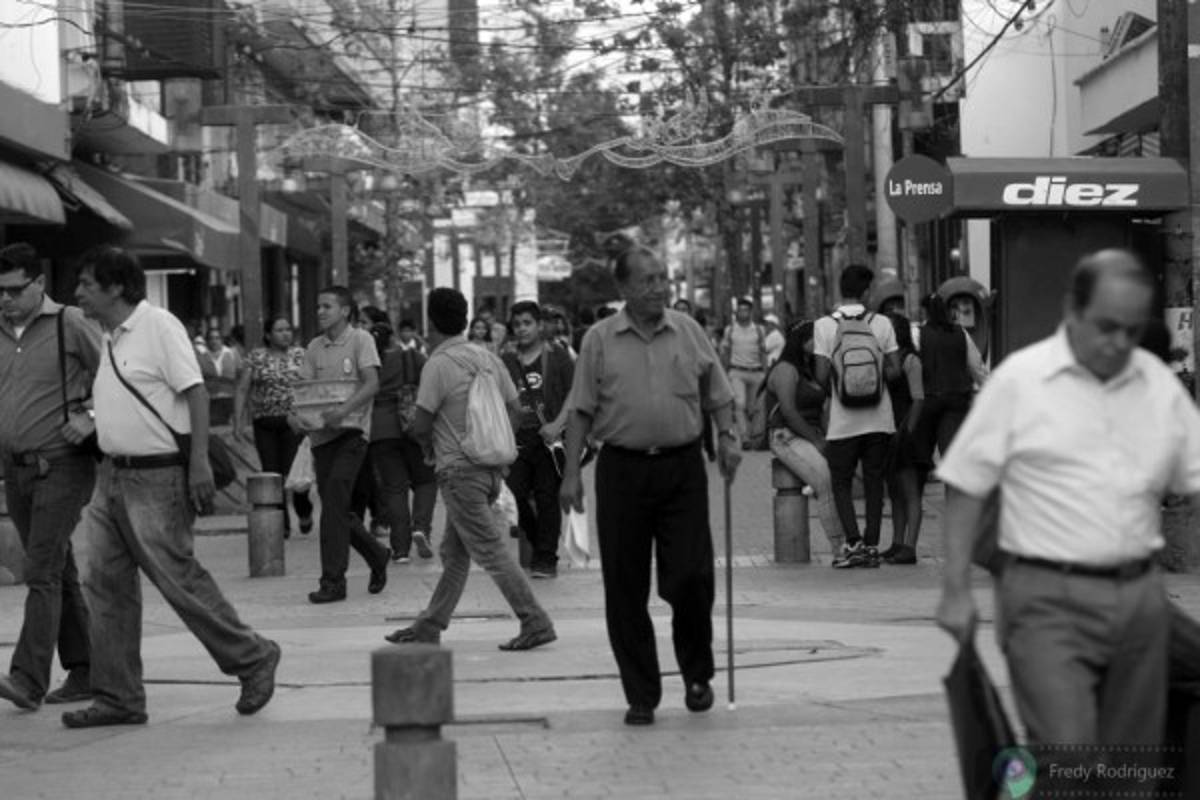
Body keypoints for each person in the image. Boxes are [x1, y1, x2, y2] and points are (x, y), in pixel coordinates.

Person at [936, 248, 1200, 753]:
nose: (1119, 343)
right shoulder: (1020, 380)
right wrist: (954, 590)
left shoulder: (1157, 385)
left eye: (1131, 329)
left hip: (1139, 598)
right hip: (1044, 599)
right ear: (1072, 311)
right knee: (1068, 750)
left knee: (1133, 766)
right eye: (1106, 327)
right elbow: (967, 484)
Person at [64, 246, 279, 728]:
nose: (78, 293)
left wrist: (199, 462)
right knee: (103, 583)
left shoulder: (158, 325)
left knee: (176, 577)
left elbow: (195, 392)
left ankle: (252, 657)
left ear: (116, 287)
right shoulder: (110, 337)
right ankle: (118, 696)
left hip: (157, 476)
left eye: (86, 284)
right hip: (112, 475)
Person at [559, 246, 741, 727]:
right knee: (624, 585)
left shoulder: (688, 330)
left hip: (682, 469)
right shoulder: (599, 340)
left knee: (691, 577)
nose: (659, 286)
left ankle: (697, 674)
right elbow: (580, 409)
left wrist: (728, 437)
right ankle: (641, 694)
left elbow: (718, 393)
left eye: (663, 277)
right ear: (624, 288)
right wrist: (572, 474)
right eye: (648, 279)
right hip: (622, 470)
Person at [385, 288, 557, 651]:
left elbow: (420, 423)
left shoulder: (438, 364)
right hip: (490, 471)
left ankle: (535, 620)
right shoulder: (489, 359)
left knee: (491, 552)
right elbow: (516, 410)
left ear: (431, 322)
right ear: (465, 319)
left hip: (459, 473)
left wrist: (431, 450)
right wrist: (498, 447)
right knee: (455, 553)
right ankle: (430, 625)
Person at [0, 243, 99, 712]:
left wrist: (93, 415)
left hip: (63, 463)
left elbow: (118, 377)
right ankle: (86, 670)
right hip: (14, 469)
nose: (6, 299)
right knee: (58, 568)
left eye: (15, 290)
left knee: (39, 569)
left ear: (39, 283)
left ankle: (27, 679)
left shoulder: (71, 323)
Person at [294, 286, 390, 604]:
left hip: (352, 434)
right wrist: (296, 417)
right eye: (318, 306)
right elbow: (305, 391)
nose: (320, 311)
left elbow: (372, 383)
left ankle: (333, 581)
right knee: (334, 507)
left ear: (345, 310)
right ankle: (376, 554)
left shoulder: (361, 340)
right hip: (322, 438)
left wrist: (343, 412)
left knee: (334, 499)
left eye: (327, 306)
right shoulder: (313, 347)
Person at [813, 264, 901, 569]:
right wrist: (871, 377)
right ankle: (873, 543)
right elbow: (896, 369)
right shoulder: (882, 323)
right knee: (875, 480)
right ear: (866, 292)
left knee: (841, 482)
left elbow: (822, 375)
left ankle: (854, 544)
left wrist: (844, 383)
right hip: (880, 418)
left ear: (841, 289)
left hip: (842, 421)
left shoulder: (824, 326)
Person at [501, 301, 575, 579]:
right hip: (517, 438)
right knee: (514, 496)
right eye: (517, 324)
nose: (522, 329)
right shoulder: (506, 359)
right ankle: (536, 540)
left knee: (547, 498)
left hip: (549, 439)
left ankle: (546, 559)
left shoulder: (557, 356)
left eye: (527, 323)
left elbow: (575, 392)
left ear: (539, 325)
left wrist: (557, 425)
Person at [762, 321, 845, 559]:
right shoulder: (786, 369)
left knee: (838, 477)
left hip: (810, 434)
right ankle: (839, 547)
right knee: (825, 482)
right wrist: (818, 443)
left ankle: (849, 540)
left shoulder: (809, 368)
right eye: (814, 338)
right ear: (802, 341)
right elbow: (788, 412)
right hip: (785, 436)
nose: (819, 343)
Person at [233, 314, 313, 537]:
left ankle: (303, 508)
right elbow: (242, 389)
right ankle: (282, 524)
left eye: (288, 329)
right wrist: (238, 420)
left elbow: (312, 386)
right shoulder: (256, 358)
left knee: (293, 473)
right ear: (268, 335)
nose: (285, 333)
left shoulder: (301, 355)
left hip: (294, 423)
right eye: (279, 330)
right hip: (265, 422)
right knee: (272, 473)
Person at [368, 319, 437, 563]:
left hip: (380, 431)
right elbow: (433, 382)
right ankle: (421, 527)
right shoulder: (410, 357)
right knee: (426, 481)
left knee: (394, 488)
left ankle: (400, 549)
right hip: (413, 426)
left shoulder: (367, 363)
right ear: (393, 338)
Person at [912, 293, 987, 492]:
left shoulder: (918, 334)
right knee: (951, 459)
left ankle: (917, 501)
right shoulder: (960, 332)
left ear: (925, 311)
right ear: (948, 311)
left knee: (921, 457)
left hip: (927, 401)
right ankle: (953, 503)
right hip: (956, 400)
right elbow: (977, 367)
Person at [880, 313, 923, 565]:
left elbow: (918, 398)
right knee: (895, 492)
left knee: (910, 491)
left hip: (906, 432)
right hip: (891, 429)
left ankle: (910, 546)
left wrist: (907, 432)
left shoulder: (910, 360)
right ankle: (897, 542)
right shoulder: (893, 361)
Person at [719, 297, 768, 442]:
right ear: (736, 312)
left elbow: (762, 352)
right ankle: (744, 436)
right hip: (737, 371)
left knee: (753, 408)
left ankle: (754, 434)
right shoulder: (730, 330)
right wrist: (724, 371)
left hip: (756, 371)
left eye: (746, 310)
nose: (743, 313)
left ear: (751, 312)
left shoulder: (759, 330)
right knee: (739, 404)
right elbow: (726, 351)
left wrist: (765, 372)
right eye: (740, 310)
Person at [199, 328, 240, 426]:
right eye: (211, 338)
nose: (214, 341)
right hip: (211, 400)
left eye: (217, 338)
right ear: (207, 341)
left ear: (222, 340)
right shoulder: (202, 356)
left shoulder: (232, 354)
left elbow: (240, 376)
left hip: (230, 399)